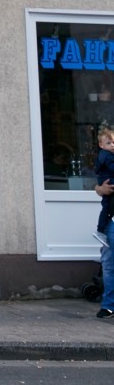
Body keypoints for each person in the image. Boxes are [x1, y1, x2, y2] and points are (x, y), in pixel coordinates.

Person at [93, 127, 114, 318]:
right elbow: (99, 187)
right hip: (111, 220)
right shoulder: (107, 157)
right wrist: (100, 188)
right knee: (108, 263)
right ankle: (109, 305)